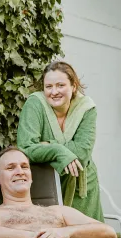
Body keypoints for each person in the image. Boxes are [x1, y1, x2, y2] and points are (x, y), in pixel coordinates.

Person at [17, 61, 103, 223]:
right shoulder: (35, 104)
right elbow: (26, 147)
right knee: (50, 234)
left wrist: (47, 145)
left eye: (60, 85)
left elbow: (82, 153)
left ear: (74, 86)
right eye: (48, 86)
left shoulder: (86, 107)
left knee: (88, 234)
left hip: (81, 185)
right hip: (46, 183)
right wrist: (57, 150)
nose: (54, 92)